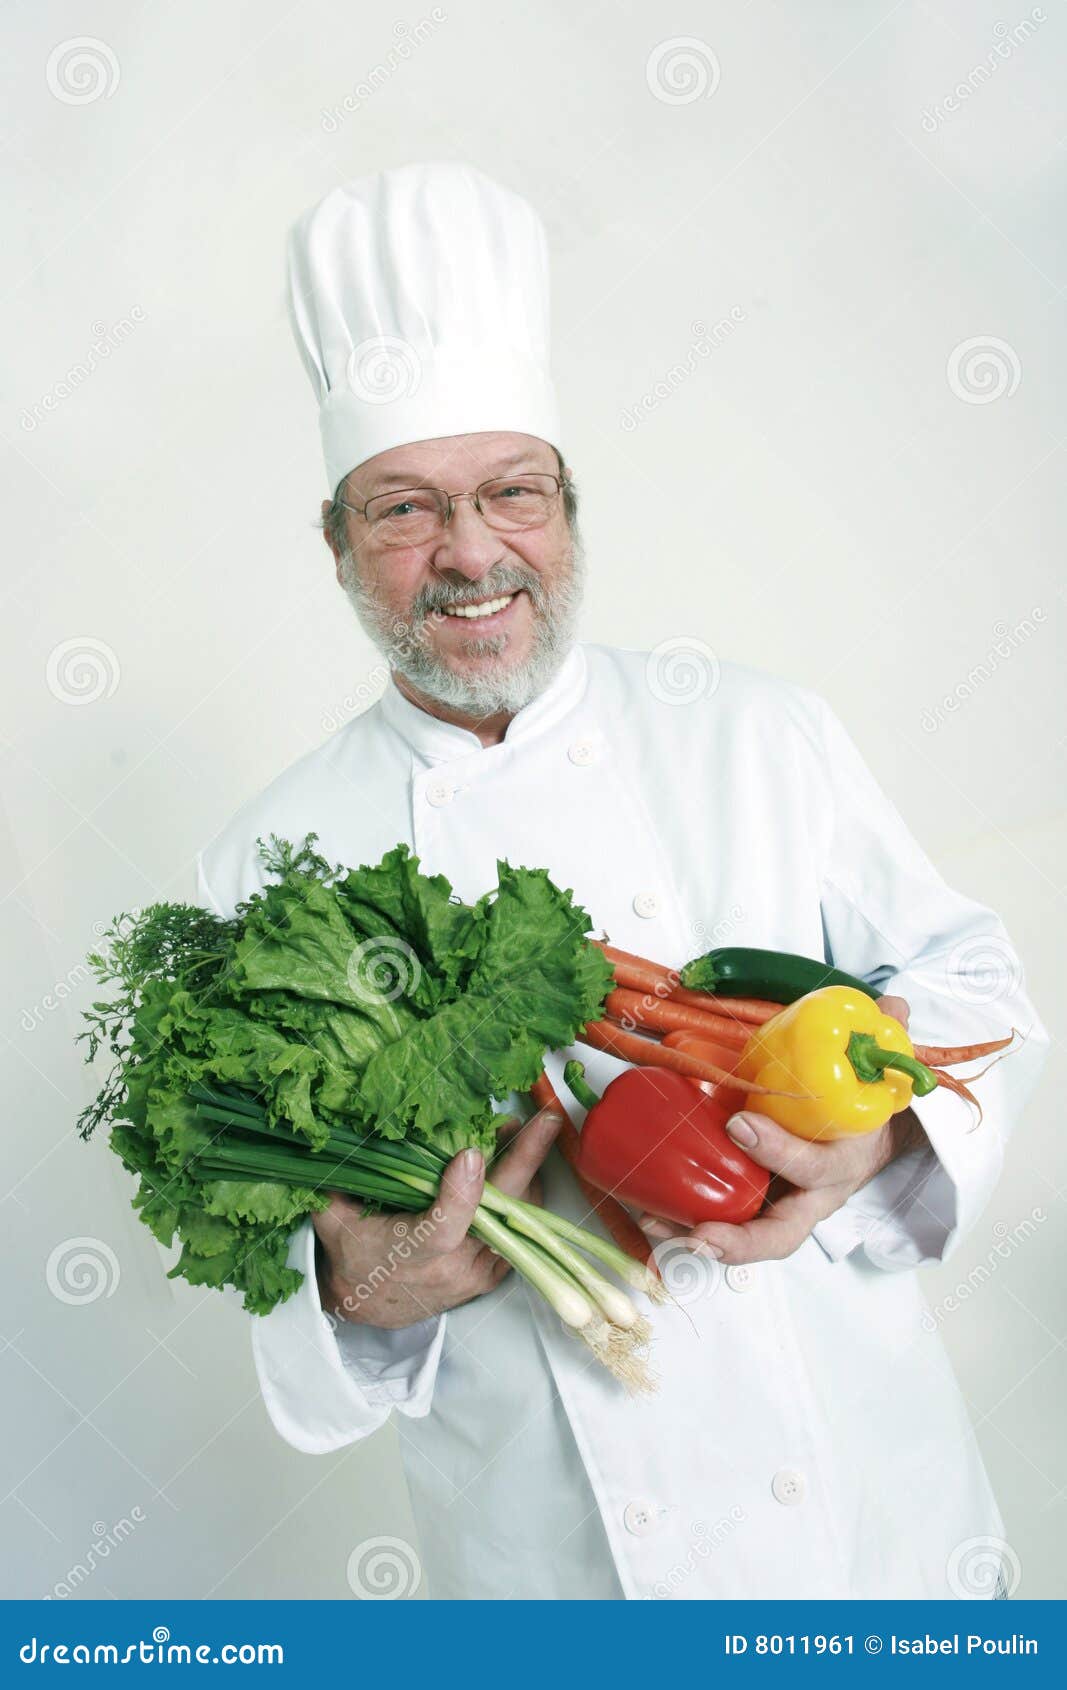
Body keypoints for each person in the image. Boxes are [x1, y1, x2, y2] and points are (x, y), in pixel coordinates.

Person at [198, 162, 1046, 1601]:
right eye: (405, 509)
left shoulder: (758, 728)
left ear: (569, 507)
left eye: (510, 493)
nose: (471, 554)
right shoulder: (271, 860)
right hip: (558, 1582)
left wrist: (877, 1138)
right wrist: (363, 1287)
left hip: (878, 1545)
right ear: (337, 544)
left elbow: (976, 986)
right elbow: (258, 1239)